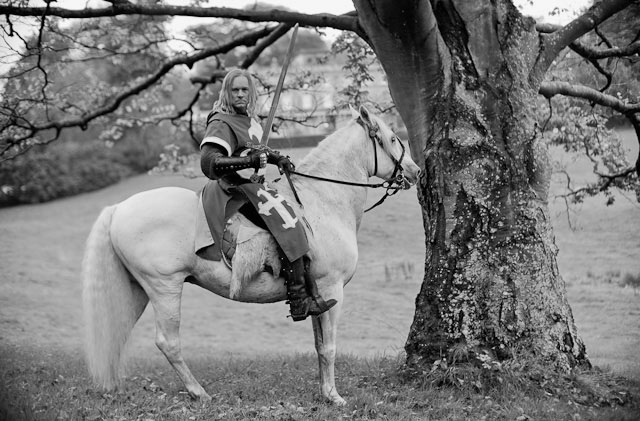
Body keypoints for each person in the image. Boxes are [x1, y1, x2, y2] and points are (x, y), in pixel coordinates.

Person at [200, 69, 336, 321]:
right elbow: (209, 164)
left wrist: (276, 157)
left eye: (244, 89)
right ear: (226, 92)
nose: (240, 94)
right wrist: (248, 161)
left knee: (295, 217)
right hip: (233, 190)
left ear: (250, 92)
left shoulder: (249, 120)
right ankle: (299, 301)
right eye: (235, 90)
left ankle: (311, 293)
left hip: (253, 187)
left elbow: (255, 150)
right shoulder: (221, 121)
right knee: (288, 223)